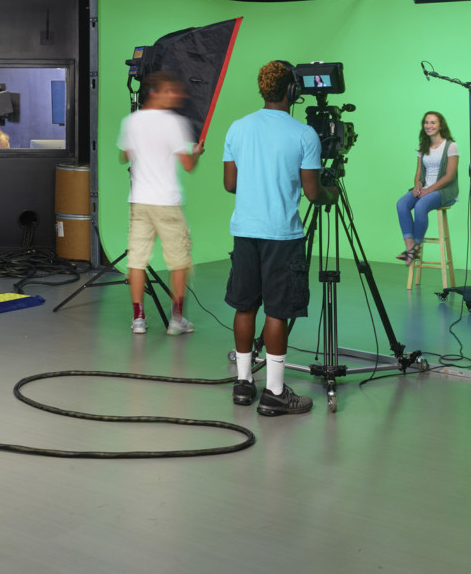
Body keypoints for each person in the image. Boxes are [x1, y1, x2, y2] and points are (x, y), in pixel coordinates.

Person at [222, 60, 335, 417]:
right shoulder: (304, 135)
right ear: (293, 91)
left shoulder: (238, 128)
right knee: (277, 310)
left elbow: (230, 184)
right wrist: (331, 194)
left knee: (245, 305)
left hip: (244, 231)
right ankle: (274, 392)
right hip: (282, 236)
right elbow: (313, 192)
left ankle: (243, 383)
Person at [117, 71, 203, 335]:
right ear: (154, 92)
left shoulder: (131, 121)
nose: (176, 95)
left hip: (139, 201)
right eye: (170, 90)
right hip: (166, 203)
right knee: (179, 261)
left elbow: (124, 157)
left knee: (137, 260)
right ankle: (177, 319)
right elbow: (187, 165)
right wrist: (196, 153)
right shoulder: (174, 123)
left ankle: (139, 319)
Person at [395, 111, 459, 264]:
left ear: (440, 125)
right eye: (426, 122)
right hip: (425, 189)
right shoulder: (422, 146)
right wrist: (418, 186)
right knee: (402, 204)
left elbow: (449, 176)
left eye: (433, 122)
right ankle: (410, 247)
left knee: (420, 206)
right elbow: (418, 173)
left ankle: (416, 247)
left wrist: (428, 191)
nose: (428, 125)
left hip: (443, 191)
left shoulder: (451, 146)